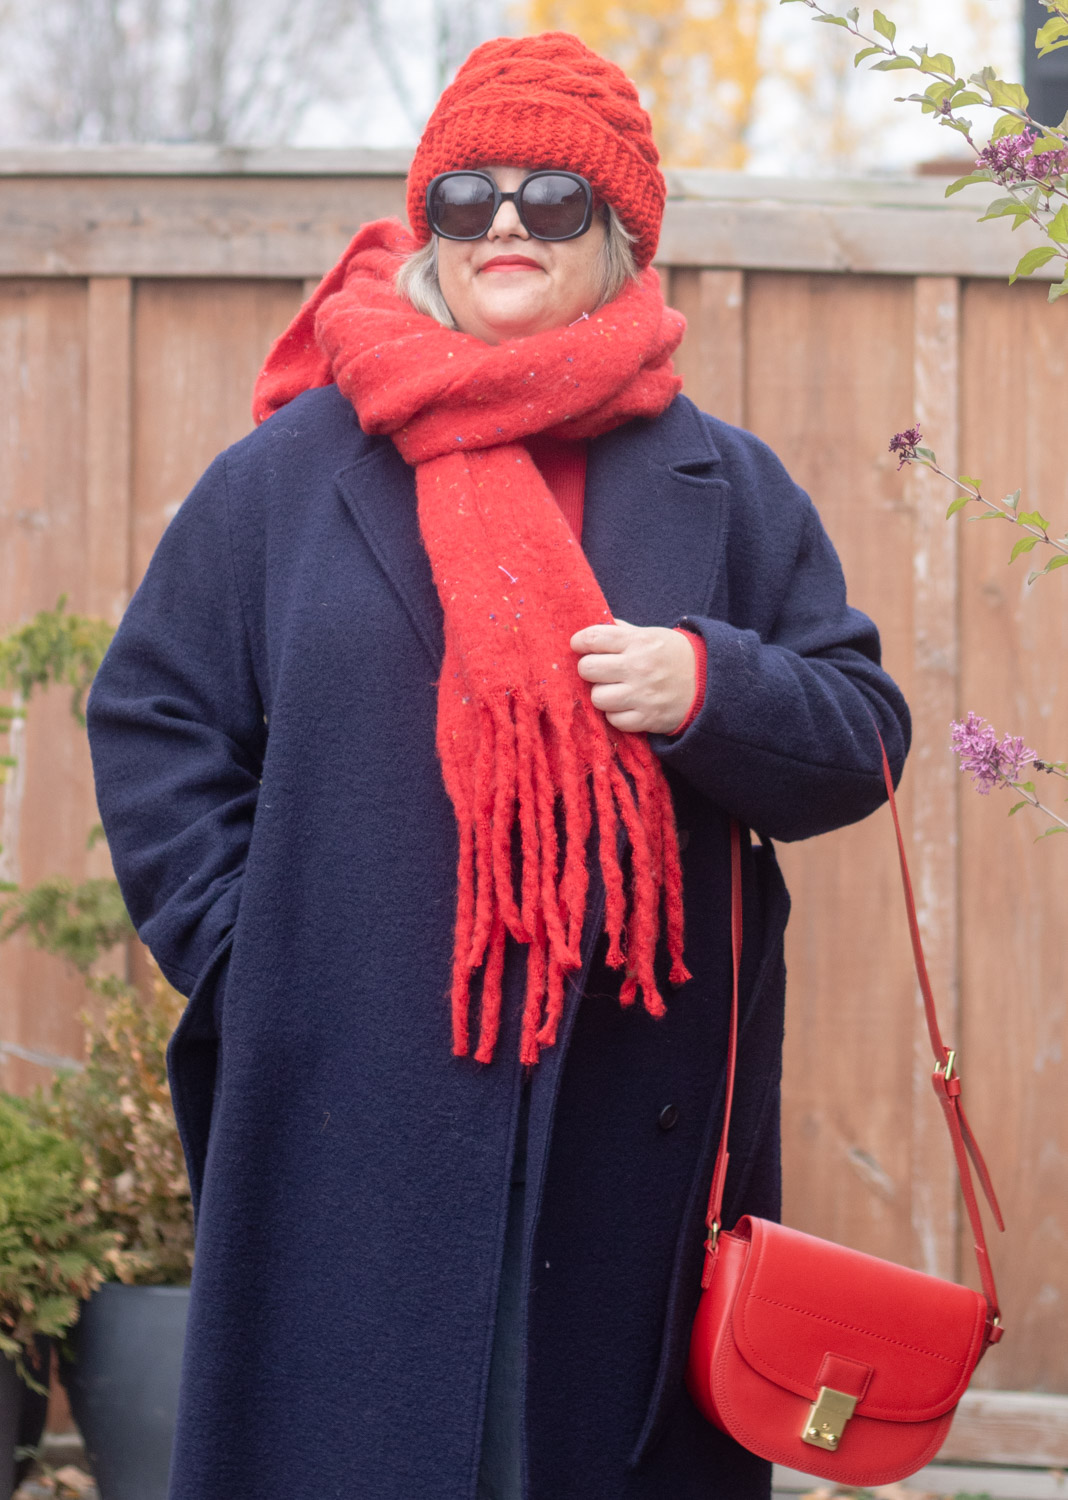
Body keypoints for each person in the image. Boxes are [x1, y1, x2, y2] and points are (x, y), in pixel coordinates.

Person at [86, 32, 910, 1500]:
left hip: (629, 1123)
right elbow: (155, 719)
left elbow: (863, 739)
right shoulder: (289, 476)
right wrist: (260, 951)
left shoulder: (728, 487)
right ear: (430, 227)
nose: (507, 226)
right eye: (466, 200)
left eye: (553, 199)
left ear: (624, 239)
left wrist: (710, 685)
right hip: (356, 1097)